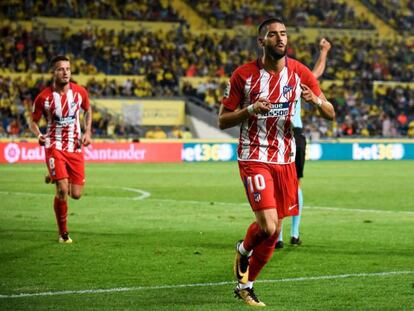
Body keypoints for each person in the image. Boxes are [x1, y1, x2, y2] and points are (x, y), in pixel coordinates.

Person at [218, 18, 335, 307]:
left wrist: (316, 102)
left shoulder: (299, 73)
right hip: (254, 155)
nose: (280, 38)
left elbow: (330, 113)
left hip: (286, 159)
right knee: (269, 227)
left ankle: (246, 285)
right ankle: (244, 249)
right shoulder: (243, 76)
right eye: (273, 35)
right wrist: (250, 109)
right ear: (262, 42)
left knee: (275, 232)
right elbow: (222, 119)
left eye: (283, 33)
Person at [276, 38, 332, 249]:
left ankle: (280, 236)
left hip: (283, 134)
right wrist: (324, 51)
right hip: (294, 133)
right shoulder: (296, 77)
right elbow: (316, 72)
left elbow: (316, 73)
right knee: (294, 183)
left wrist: (324, 52)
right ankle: (294, 234)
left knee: (279, 184)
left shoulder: (273, 78)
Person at [30, 55, 92, 244]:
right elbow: (33, 121)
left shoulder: (80, 92)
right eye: (60, 69)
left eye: (67, 69)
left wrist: (88, 131)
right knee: (63, 189)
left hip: (74, 147)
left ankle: (54, 175)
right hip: (54, 145)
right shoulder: (44, 97)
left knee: (76, 194)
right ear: (53, 72)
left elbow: (88, 110)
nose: (65, 72)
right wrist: (39, 135)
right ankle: (63, 234)